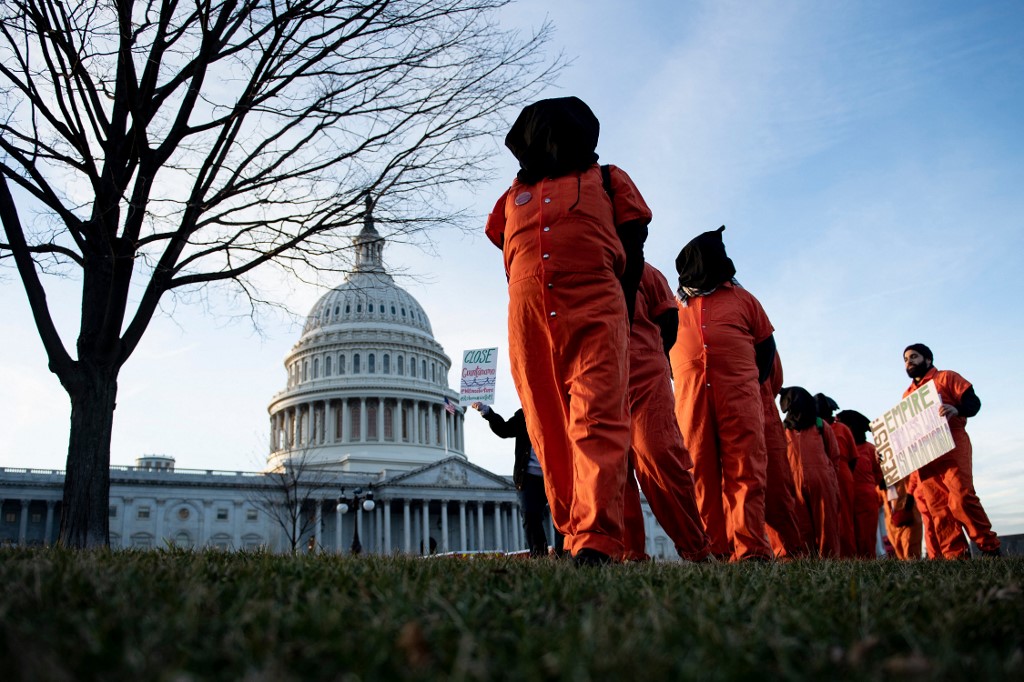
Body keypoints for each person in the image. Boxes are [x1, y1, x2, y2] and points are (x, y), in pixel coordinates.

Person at [484, 96, 651, 565]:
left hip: (595, 308)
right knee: (547, 427)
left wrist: (622, 303)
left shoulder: (608, 179)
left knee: (598, 417)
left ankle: (597, 537)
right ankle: (574, 529)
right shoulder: (510, 197)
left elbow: (634, 242)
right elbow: (504, 243)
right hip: (529, 321)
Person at [669, 226, 775, 562]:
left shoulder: (744, 299)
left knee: (745, 469)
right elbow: (663, 354)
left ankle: (751, 549)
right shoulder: (673, 308)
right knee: (698, 472)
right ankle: (712, 548)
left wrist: (745, 382)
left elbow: (766, 350)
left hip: (739, 399)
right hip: (691, 403)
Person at [621, 263, 710, 562]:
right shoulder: (583, 262)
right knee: (610, 469)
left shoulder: (645, 271)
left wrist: (651, 354)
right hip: (596, 373)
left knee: (659, 453)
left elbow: (669, 322)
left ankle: (696, 547)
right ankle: (625, 553)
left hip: (645, 371)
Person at [901, 344, 1001, 558]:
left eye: (914, 356)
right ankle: (955, 556)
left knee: (962, 497)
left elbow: (973, 402)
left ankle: (989, 547)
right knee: (938, 506)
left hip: (952, 443)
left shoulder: (946, 378)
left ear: (928, 360)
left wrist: (957, 409)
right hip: (925, 454)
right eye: (906, 359)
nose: (909, 362)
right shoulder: (907, 396)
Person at [471, 402, 557, 557]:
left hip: (556, 475)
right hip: (528, 475)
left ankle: (564, 553)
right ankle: (539, 555)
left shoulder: (560, 411)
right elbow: (505, 430)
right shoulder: (525, 414)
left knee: (562, 517)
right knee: (530, 515)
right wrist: (487, 412)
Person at [779, 386, 841, 558]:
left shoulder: (821, 426)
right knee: (801, 526)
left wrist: (831, 480)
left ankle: (829, 561)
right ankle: (806, 561)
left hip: (823, 482)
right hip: (794, 484)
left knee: (826, 525)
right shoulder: (783, 430)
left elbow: (834, 456)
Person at [761, 353, 810, 558]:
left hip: (759, 404)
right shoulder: (787, 430)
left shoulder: (820, 429)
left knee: (776, 490)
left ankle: (789, 550)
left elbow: (774, 372)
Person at [835, 409, 885, 558]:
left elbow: (879, 473)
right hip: (848, 498)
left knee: (866, 539)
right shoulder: (844, 447)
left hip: (865, 499)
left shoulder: (870, 449)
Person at [815, 394, 858, 557]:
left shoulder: (841, 428)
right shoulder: (815, 428)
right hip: (825, 474)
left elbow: (853, 457)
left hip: (841, 474)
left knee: (844, 518)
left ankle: (848, 556)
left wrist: (842, 473)